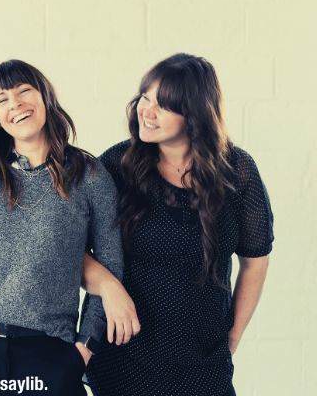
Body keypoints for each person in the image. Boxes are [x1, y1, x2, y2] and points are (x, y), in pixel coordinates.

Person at [0, 59, 134, 396]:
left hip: (50, 353)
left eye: (24, 91)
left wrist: (82, 351)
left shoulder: (89, 175)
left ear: (45, 98)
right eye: (2, 100)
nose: (16, 105)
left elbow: (111, 265)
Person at [84, 53, 274, 396]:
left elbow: (255, 260)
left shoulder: (238, 171)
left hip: (203, 360)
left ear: (195, 115)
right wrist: (108, 287)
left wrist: (232, 336)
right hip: (125, 357)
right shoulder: (116, 165)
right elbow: (64, 245)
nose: (147, 110)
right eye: (145, 97)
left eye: (163, 105)